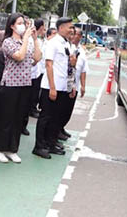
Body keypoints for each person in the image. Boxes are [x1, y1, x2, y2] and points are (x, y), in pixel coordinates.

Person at [0, 13, 41, 164]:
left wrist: (35, 39)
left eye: (23, 23)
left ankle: (12, 149)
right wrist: (25, 40)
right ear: (12, 26)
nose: (23, 25)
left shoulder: (29, 42)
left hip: (24, 84)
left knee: (18, 118)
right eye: (19, 23)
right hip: (9, 84)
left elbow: (37, 58)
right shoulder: (8, 42)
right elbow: (19, 56)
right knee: (4, 117)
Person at [34, 17, 75, 159]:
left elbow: (69, 67)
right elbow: (49, 65)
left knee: (56, 117)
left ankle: (50, 143)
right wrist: (52, 88)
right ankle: (39, 146)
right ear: (61, 27)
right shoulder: (53, 44)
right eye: (69, 27)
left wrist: (71, 85)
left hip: (63, 87)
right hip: (51, 87)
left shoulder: (66, 44)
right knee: (46, 117)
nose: (71, 30)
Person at [61, 27, 88, 137]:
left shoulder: (81, 51)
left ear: (80, 37)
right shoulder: (67, 47)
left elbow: (83, 70)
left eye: (75, 34)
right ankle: (57, 130)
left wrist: (83, 86)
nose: (73, 36)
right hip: (65, 85)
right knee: (61, 109)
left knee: (68, 110)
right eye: (71, 33)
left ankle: (61, 128)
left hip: (74, 85)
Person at [24, 18, 47, 132]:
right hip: (27, 74)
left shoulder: (37, 39)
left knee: (32, 96)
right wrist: (35, 61)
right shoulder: (27, 40)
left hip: (36, 73)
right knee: (26, 100)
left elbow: (38, 56)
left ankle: (25, 121)